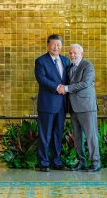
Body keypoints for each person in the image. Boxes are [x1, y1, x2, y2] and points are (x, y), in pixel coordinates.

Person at [57, 44, 101, 172]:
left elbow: (85, 83)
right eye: (70, 53)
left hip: (86, 107)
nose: (72, 55)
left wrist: (65, 88)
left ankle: (96, 163)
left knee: (91, 136)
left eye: (75, 53)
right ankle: (81, 162)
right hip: (73, 107)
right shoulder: (70, 67)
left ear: (82, 53)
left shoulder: (88, 66)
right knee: (77, 137)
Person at [34, 34, 70, 171]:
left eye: (59, 45)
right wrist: (57, 87)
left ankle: (57, 161)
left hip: (62, 104)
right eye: (54, 45)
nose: (57, 47)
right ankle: (43, 163)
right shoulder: (41, 61)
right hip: (47, 104)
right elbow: (41, 79)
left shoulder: (66, 60)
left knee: (57, 134)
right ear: (48, 45)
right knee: (45, 134)